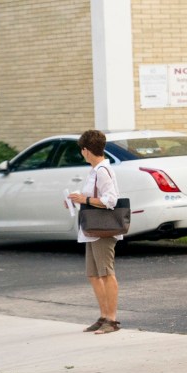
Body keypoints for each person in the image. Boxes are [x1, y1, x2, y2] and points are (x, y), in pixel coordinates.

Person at [68, 129, 122, 335]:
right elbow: (93, 197)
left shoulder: (102, 171)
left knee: (107, 274)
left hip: (103, 231)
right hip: (92, 229)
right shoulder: (96, 170)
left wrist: (85, 200)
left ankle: (112, 320)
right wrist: (78, 199)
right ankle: (103, 316)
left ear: (86, 151)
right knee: (93, 274)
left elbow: (111, 200)